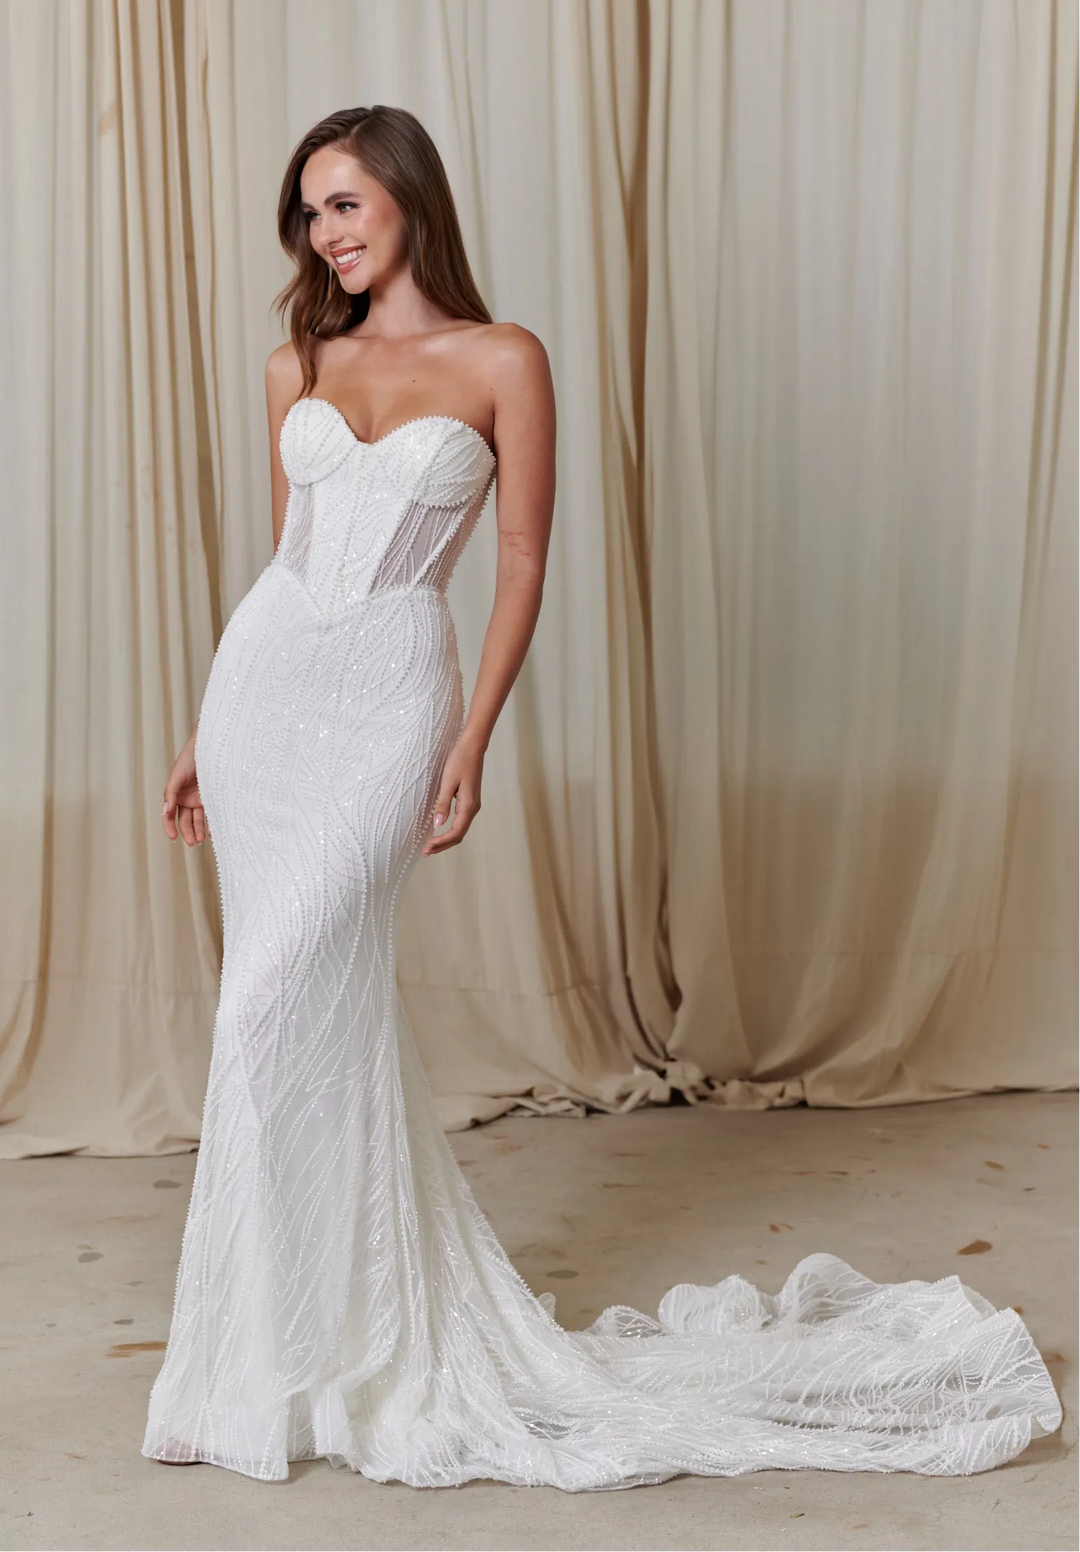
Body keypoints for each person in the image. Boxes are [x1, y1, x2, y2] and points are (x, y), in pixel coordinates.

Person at [143, 104, 1060, 1488]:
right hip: (265, 695)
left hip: (391, 693)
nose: (326, 235)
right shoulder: (299, 363)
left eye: (346, 204)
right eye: (310, 212)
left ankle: (341, 1340)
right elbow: (290, 554)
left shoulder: (504, 357)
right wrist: (205, 732)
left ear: (407, 200)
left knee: (283, 995)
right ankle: (282, 1352)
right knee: (287, 1012)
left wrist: (473, 735)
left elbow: (518, 562)